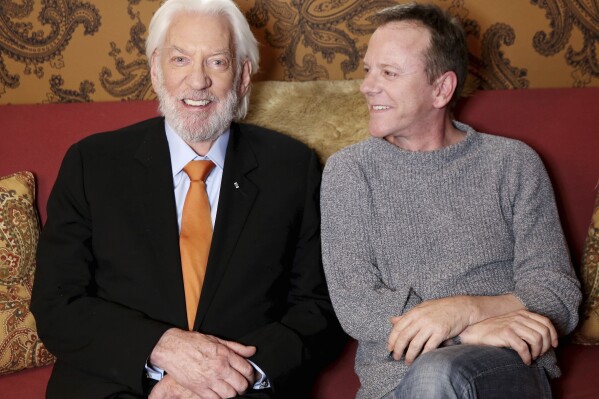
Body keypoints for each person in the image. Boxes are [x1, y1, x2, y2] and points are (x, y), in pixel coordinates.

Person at [30, 0, 341, 398]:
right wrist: (159, 350)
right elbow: (58, 304)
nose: (198, 81)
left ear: (243, 75)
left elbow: (316, 307)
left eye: (216, 62)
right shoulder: (92, 163)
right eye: (180, 59)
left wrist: (228, 374)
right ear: (157, 69)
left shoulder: (293, 168)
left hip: (240, 389)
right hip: (113, 385)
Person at [320, 3, 581, 399]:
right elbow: (356, 304)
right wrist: (467, 330)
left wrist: (466, 309)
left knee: (438, 374)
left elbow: (557, 293)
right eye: (368, 69)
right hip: (393, 385)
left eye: (389, 73)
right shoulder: (349, 172)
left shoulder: (512, 163)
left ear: (441, 89)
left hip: (507, 368)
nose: (367, 86)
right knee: (431, 377)